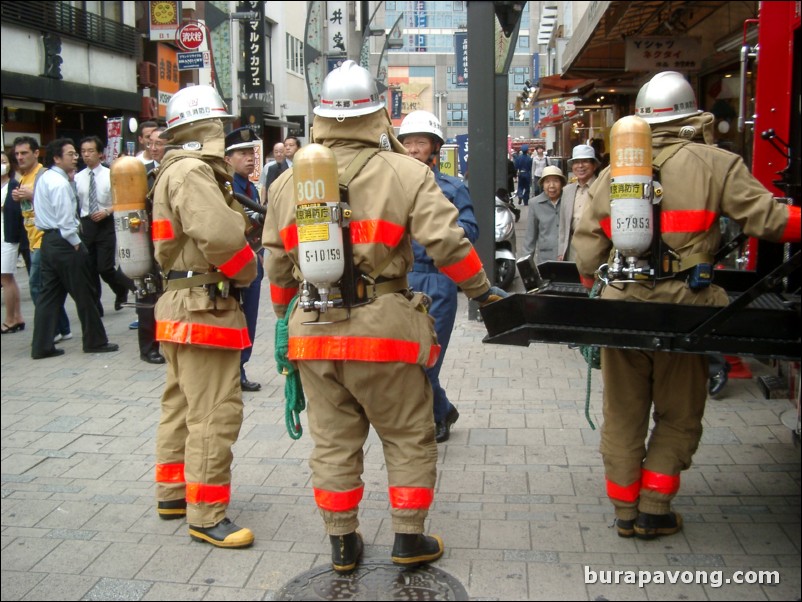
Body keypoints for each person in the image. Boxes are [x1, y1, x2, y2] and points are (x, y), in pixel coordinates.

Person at [263, 60, 501, 575]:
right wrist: (483, 294)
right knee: (407, 433)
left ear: (322, 116)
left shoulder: (288, 183)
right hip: (384, 333)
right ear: (379, 115)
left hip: (313, 332)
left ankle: (342, 544)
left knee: (332, 441)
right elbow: (449, 243)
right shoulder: (408, 172)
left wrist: (286, 320)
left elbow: (278, 266)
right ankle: (408, 537)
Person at [572, 71, 801, 540]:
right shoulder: (717, 163)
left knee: (622, 414)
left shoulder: (617, 169)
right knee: (678, 414)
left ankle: (623, 510)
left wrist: (597, 288)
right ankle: (655, 508)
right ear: (693, 114)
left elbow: (587, 248)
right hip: (689, 306)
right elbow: (770, 221)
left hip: (622, 308)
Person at [150, 85, 257, 549]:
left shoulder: (170, 170)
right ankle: (207, 514)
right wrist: (249, 270)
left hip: (178, 305)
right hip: (204, 306)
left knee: (179, 407)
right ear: (208, 128)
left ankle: (174, 495)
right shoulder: (193, 171)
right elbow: (222, 238)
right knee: (215, 413)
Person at [398, 110, 479, 443]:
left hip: (436, 281)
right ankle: (441, 408)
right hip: (399, 283)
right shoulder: (391, 187)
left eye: (421, 142)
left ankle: (435, 415)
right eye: (408, 143)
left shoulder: (452, 187)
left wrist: (437, 237)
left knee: (428, 357)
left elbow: (470, 230)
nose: (414, 149)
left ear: (434, 148)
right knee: (405, 359)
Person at [30, 138, 119, 360]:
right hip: (64, 242)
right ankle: (95, 341)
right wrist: (76, 243)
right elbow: (65, 220)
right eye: (71, 154)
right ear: (57, 158)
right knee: (84, 293)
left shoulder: (45, 179)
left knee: (48, 296)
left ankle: (41, 345)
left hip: (49, 242)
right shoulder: (59, 183)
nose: (76, 157)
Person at [13, 136, 71, 341]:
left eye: (24, 153)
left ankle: (52, 329)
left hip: (44, 239)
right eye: (17, 154)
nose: (20, 157)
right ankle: (62, 327)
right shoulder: (22, 177)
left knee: (37, 287)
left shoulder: (43, 175)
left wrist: (32, 195)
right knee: (49, 287)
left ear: (37, 154)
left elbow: (54, 205)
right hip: (31, 239)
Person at [75, 136, 135, 314]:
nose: (86, 155)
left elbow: (122, 200)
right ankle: (96, 306)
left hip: (106, 223)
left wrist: (107, 211)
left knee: (105, 267)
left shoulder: (110, 174)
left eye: (91, 151)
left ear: (100, 154)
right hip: (87, 224)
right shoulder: (78, 177)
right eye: (83, 151)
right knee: (90, 268)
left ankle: (121, 288)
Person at [224, 127, 264, 392]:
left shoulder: (250, 187)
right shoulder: (226, 187)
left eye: (251, 152)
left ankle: (240, 367)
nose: (249, 158)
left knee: (249, 317)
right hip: (235, 262)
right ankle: (233, 370)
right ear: (227, 158)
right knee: (235, 316)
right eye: (242, 153)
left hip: (254, 259)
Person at [134, 126, 167, 365]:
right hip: (149, 243)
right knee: (148, 296)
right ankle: (148, 347)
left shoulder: (176, 171)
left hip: (171, 245)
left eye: (159, 143)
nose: (154, 148)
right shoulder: (142, 176)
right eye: (150, 143)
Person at [558, 144, 599, 261]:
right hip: (571, 247)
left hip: (595, 247)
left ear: (594, 165)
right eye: (576, 162)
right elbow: (563, 224)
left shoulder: (601, 188)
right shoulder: (567, 190)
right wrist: (561, 251)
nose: (580, 166)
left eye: (585, 161)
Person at [2, 150, 26, 333]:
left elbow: (18, 211)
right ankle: (17, 316)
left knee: (6, 277)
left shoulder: (14, 185)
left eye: (3, 161)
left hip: (8, 236)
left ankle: (11, 318)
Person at [522, 165, 566, 262]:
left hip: (568, 257)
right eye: (547, 181)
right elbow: (530, 237)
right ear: (542, 184)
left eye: (556, 181)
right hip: (546, 259)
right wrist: (526, 264)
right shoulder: (534, 203)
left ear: (562, 184)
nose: (551, 185)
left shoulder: (569, 200)